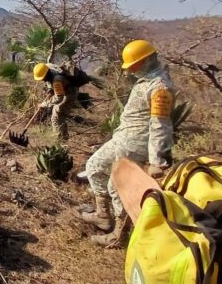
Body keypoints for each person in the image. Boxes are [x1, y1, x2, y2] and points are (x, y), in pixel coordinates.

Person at [81, 39, 175, 246]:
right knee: (94, 167)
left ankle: (119, 235)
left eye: (134, 65)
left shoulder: (160, 87)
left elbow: (160, 124)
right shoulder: (147, 80)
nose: (131, 70)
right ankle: (103, 215)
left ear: (146, 61)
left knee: (118, 185)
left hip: (137, 143)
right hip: (124, 137)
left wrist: (157, 160)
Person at [33, 62, 78, 142]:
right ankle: (63, 138)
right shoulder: (47, 67)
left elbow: (59, 98)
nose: (42, 80)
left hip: (69, 93)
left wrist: (44, 104)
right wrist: (50, 89)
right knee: (57, 116)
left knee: (57, 116)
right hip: (64, 87)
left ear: (46, 75)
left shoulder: (57, 81)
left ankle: (59, 140)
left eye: (43, 78)